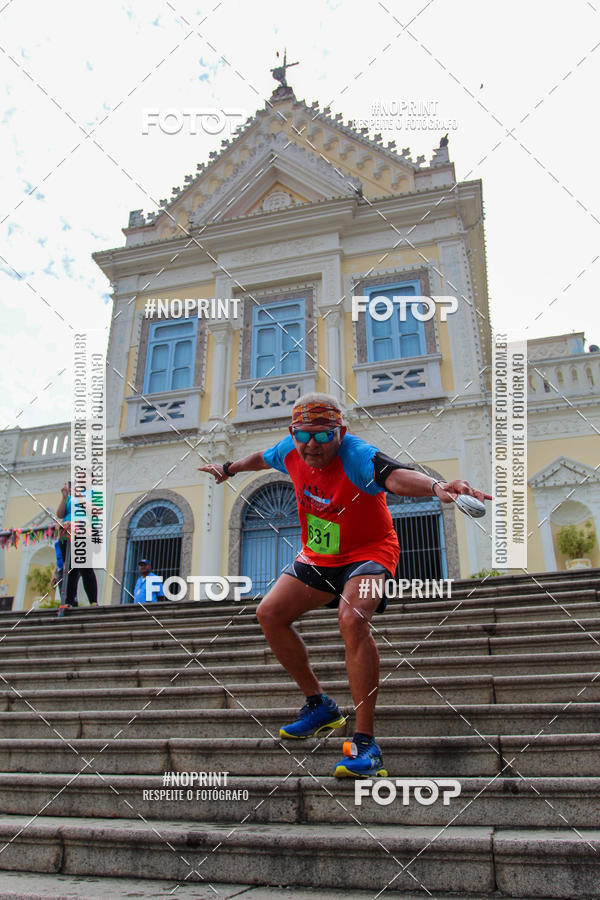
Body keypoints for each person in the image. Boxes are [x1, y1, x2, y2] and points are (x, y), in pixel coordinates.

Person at [199, 393, 492, 778]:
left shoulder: (356, 455)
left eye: (324, 436)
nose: (312, 445)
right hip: (321, 554)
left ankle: (366, 745)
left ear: (341, 432)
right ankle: (320, 706)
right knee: (269, 613)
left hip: (371, 552)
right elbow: (261, 457)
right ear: (293, 432)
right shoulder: (290, 449)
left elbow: (396, 475)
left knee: (352, 618)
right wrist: (229, 467)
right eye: (303, 435)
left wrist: (437, 488)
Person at [56, 481, 98, 608]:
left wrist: (79, 496)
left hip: (82, 531)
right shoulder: (69, 497)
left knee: (85, 568)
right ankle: (69, 601)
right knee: (68, 568)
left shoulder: (93, 494)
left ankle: (93, 601)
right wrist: (64, 497)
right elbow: (60, 514)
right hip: (66, 532)